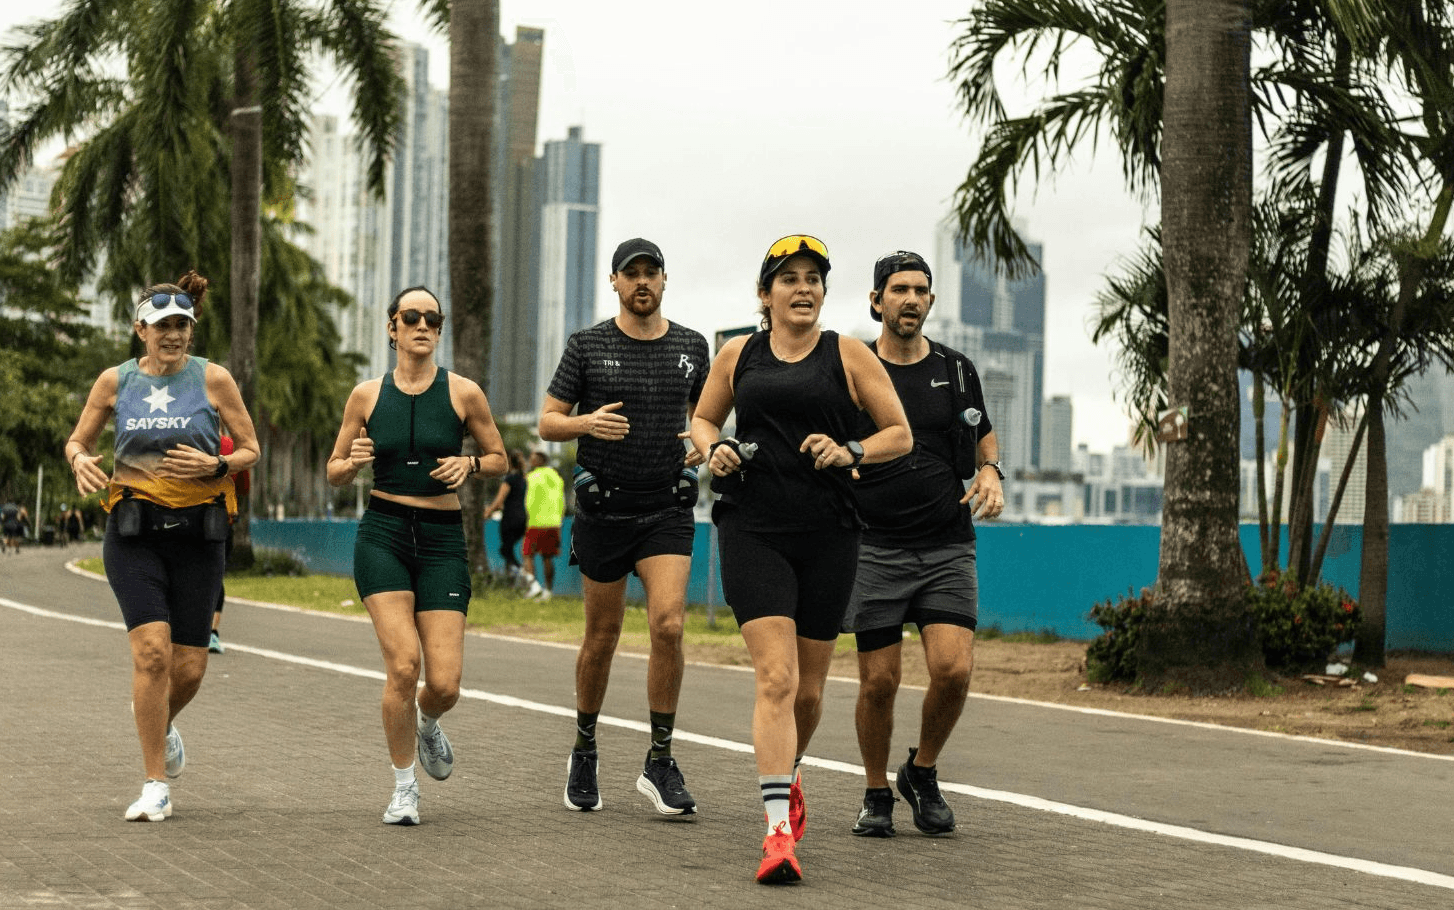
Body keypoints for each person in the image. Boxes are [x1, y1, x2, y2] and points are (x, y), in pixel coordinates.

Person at [690, 235, 911, 884]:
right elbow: (703, 421)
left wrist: (851, 451)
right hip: (753, 526)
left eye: (814, 278)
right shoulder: (739, 354)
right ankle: (777, 832)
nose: (804, 288)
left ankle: (788, 774)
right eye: (789, 279)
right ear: (765, 295)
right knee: (777, 679)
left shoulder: (848, 354)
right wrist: (713, 449)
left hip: (829, 532)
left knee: (809, 693)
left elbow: (898, 434)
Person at [64, 270, 259, 822]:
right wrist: (79, 459)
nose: (172, 334)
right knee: (152, 653)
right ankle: (155, 785)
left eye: (181, 325)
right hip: (134, 534)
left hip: (199, 535)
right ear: (140, 330)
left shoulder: (214, 379)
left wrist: (217, 464)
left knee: (189, 668)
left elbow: (250, 449)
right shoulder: (115, 381)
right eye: (161, 325)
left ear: (191, 330)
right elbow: (78, 440)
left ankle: (162, 723)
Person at [538, 237, 710, 817]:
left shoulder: (692, 346)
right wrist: (586, 423)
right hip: (604, 510)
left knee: (668, 625)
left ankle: (659, 761)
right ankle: (584, 748)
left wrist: (703, 442)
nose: (642, 282)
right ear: (614, 281)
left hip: (666, 509)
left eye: (650, 273)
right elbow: (548, 421)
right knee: (602, 637)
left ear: (664, 280)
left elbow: (708, 413)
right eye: (630, 273)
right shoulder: (587, 345)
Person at [326, 285, 507, 826]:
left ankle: (428, 722)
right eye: (411, 317)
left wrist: (470, 465)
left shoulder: (464, 393)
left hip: (442, 539)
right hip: (382, 534)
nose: (423, 325)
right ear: (393, 328)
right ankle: (404, 788)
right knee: (404, 666)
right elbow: (334, 471)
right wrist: (353, 462)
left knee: (444, 684)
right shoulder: (365, 396)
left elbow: (499, 457)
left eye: (432, 318)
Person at [842, 251, 1004, 839]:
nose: (911, 299)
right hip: (874, 547)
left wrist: (991, 470)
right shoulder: (854, 369)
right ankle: (875, 792)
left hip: (946, 546)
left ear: (930, 300)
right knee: (879, 682)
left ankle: (922, 771)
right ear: (877, 300)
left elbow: (984, 434)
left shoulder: (956, 370)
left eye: (920, 290)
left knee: (953, 670)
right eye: (899, 289)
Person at [208, 435, 249, 654]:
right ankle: (212, 633)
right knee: (215, 575)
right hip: (221, 519)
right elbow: (243, 486)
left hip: (183, 518)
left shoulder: (182, 437)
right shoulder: (231, 446)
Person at [521, 451, 565, 600]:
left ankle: (534, 587)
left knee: (527, 554)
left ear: (539, 461)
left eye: (532, 459)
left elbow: (529, 501)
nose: (530, 461)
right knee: (547, 557)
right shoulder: (556, 477)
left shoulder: (531, 477)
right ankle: (548, 591)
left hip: (535, 522)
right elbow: (561, 501)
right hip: (554, 522)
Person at [485, 449, 529, 586]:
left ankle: (527, 579)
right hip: (522, 518)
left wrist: (487, 513)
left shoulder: (509, 479)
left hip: (510, 519)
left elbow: (498, 502)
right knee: (508, 550)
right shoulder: (523, 479)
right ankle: (511, 583)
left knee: (505, 550)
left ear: (508, 461)